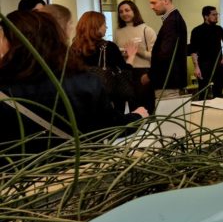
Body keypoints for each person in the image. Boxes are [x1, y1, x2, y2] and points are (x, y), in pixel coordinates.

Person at [0, 10, 147, 153]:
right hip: (80, 164)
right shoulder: (85, 83)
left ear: (10, 42)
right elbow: (109, 127)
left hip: (17, 168)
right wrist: (138, 116)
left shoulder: (6, 87)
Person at [71, 11, 138, 110]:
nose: (106, 27)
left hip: (81, 98)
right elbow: (124, 72)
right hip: (107, 100)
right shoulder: (109, 47)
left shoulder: (74, 48)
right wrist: (131, 56)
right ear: (96, 27)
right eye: (104, 24)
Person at [143, 0, 187, 98]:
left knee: (167, 109)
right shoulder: (173, 19)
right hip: (170, 80)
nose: (151, 7)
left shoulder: (172, 22)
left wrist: (150, 75)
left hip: (168, 81)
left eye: (154, 3)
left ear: (166, 1)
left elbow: (165, 54)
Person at [115, 0, 156, 111]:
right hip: (125, 72)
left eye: (127, 10)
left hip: (143, 72)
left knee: (146, 107)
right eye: (121, 12)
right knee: (132, 107)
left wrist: (139, 52)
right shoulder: (118, 32)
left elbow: (156, 56)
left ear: (134, 11)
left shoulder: (147, 30)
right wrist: (124, 53)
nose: (124, 14)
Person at [189, 6, 223, 98]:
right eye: (213, 15)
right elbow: (193, 51)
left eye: (217, 14)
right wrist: (196, 67)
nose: (216, 16)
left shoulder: (219, 29)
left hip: (218, 65)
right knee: (203, 92)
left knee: (218, 92)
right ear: (206, 16)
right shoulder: (197, 30)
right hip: (204, 65)